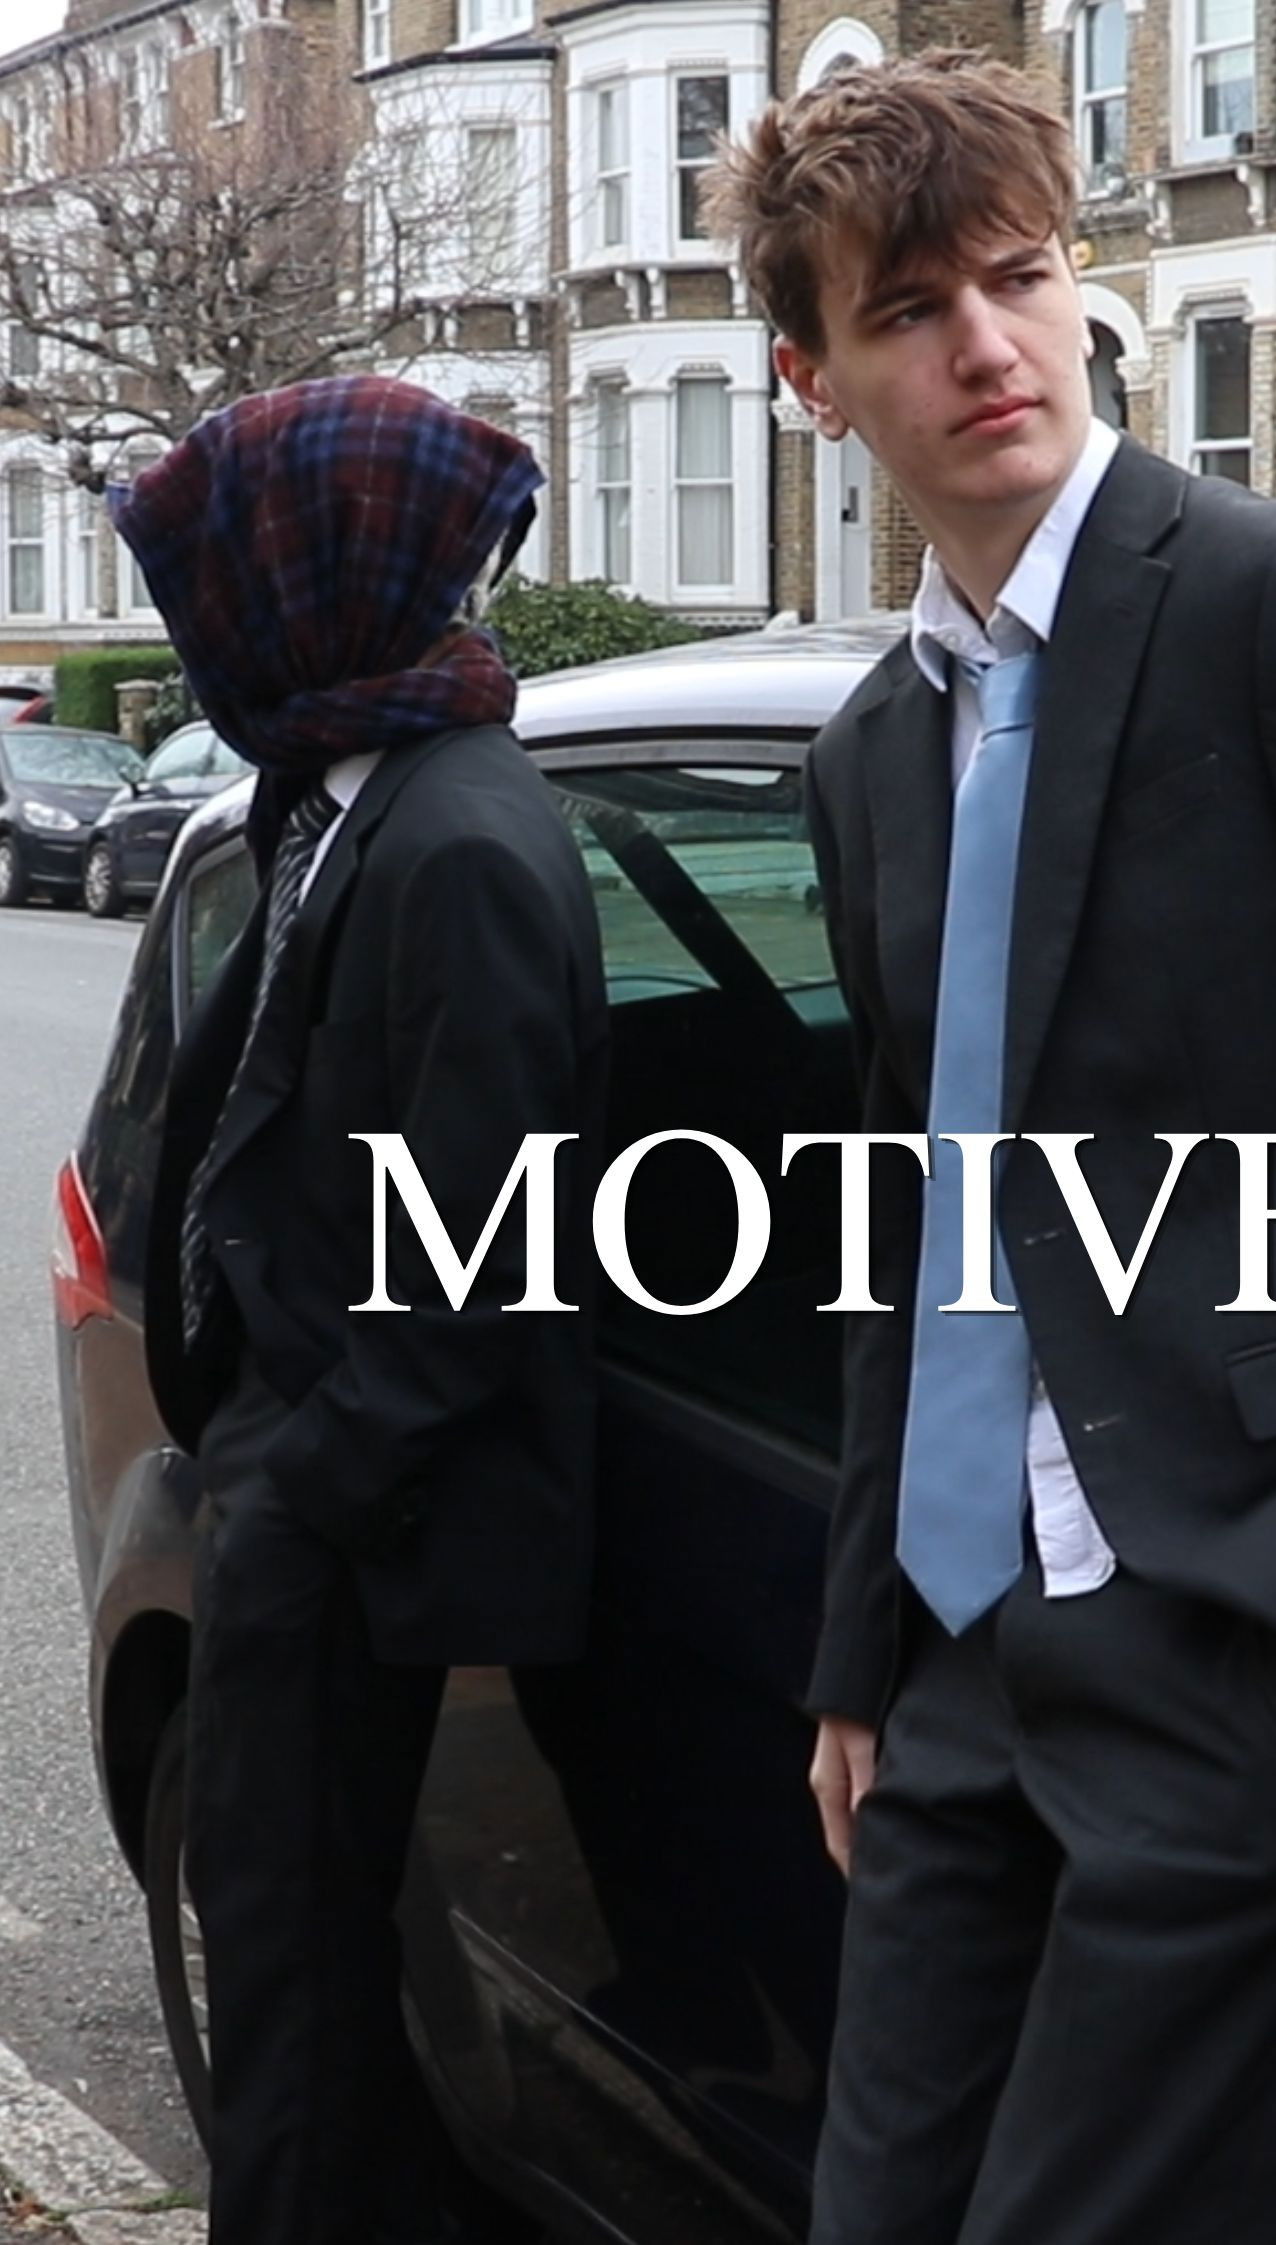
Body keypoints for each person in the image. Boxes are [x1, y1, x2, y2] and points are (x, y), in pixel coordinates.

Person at [703, 51, 1276, 2245]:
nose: (985, 345)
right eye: (908, 311)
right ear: (811, 380)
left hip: (1238, 1636)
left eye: (1016, 279)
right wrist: (860, 1654)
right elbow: (923, 1220)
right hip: (963, 1664)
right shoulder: (872, 749)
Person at [118, 375, 608, 2245]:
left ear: (309, 580)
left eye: (216, 582)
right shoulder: (347, 790)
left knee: (302, 2016)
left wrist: (301, 1493)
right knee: (297, 1989)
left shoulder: (458, 840)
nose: (200, 624)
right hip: (305, 1495)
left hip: (365, 1536)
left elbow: (484, 1246)